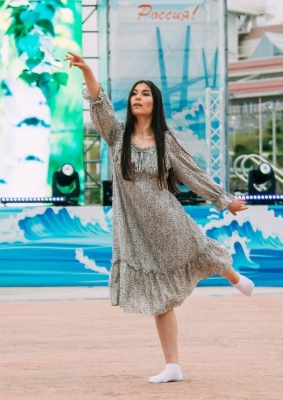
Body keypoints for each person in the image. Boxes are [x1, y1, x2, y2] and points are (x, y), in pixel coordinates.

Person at [65, 52, 255, 384]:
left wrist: (224, 200)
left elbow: (193, 174)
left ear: (155, 102)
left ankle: (234, 277)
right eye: (134, 94)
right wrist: (87, 70)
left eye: (145, 93)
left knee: (200, 249)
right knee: (159, 296)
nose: (138, 98)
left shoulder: (166, 140)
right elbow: (98, 102)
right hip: (135, 229)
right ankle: (173, 367)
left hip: (167, 218)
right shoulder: (116, 135)